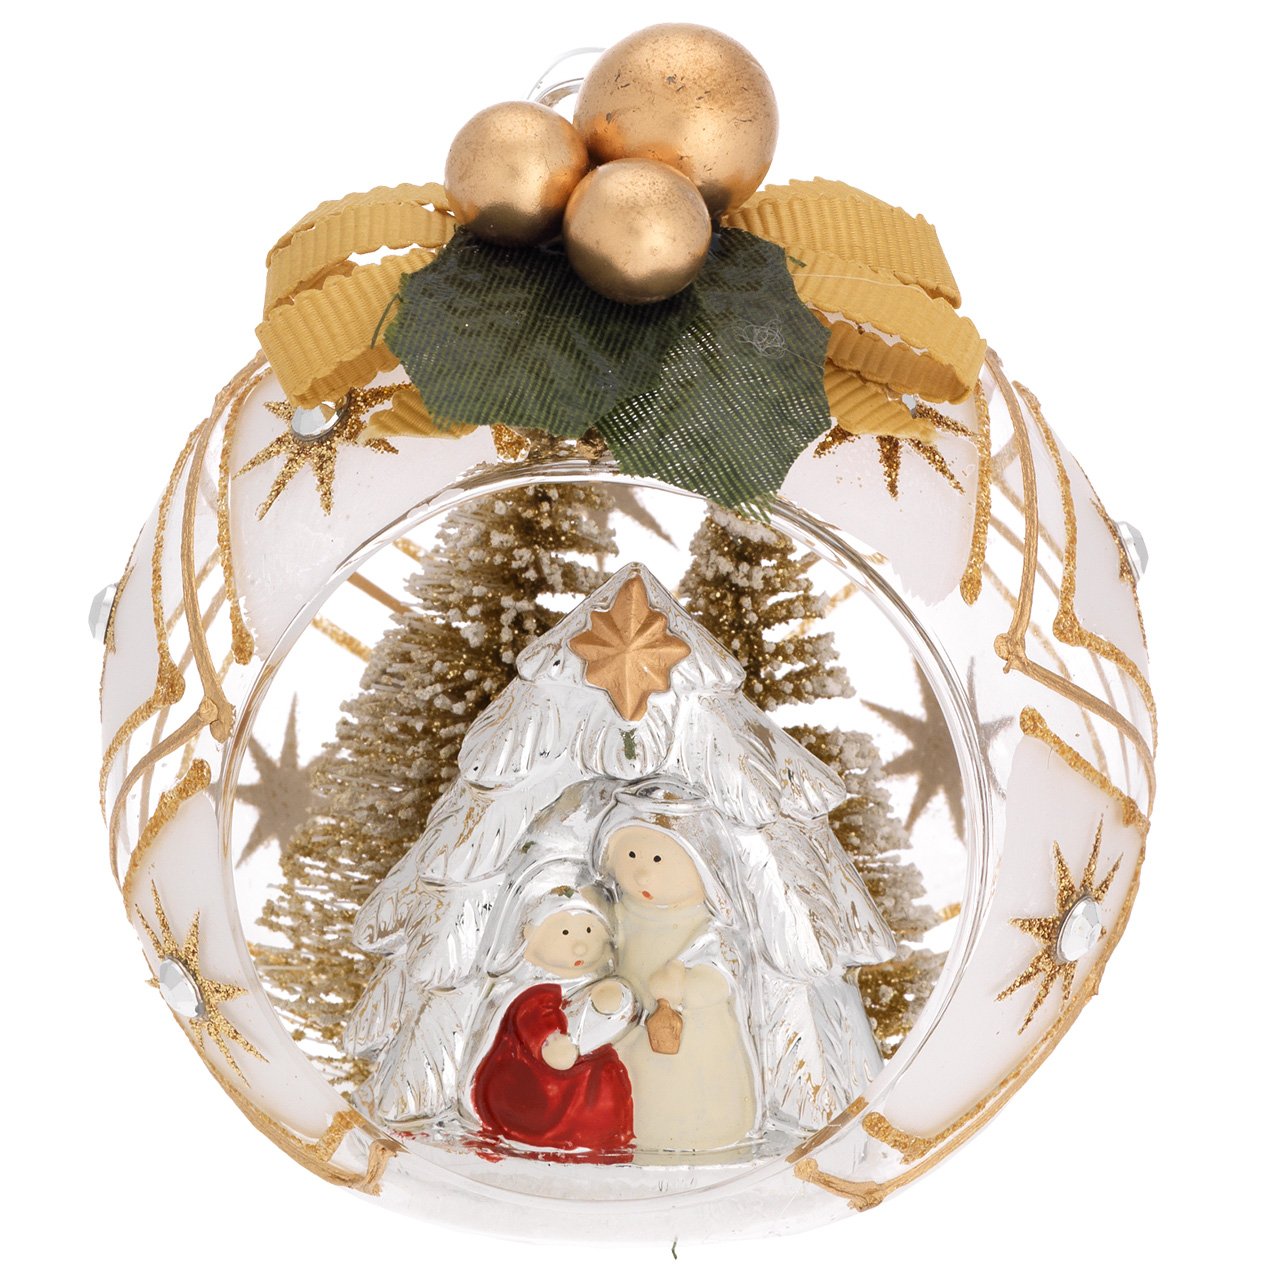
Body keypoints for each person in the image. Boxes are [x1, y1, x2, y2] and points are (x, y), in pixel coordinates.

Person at [468, 868, 637, 1158]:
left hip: (580, 1064)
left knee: (602, 1078)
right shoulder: (536, 990)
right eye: (565, 933)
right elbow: (535, 1020)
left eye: (589, 931)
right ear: (531, 937)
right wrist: (550, 1042)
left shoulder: (591, 982)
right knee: (580, 1088)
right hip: (535, 1080)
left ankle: (602, 1137)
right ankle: (564, 1138)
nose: (580, 945)